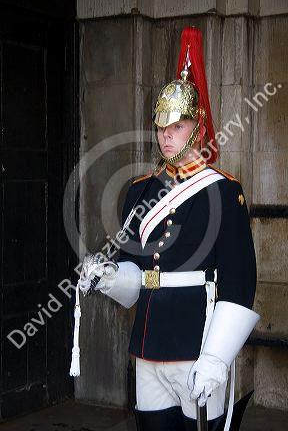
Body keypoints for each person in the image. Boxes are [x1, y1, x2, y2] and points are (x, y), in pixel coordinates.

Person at [84, 27, 259, 431]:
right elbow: (135, 274)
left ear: (196, 127)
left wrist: (217, 357)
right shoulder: (140, 190)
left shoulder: (222, 191)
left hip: (197, 341)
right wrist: (107, 277)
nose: (166, 135)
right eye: (161, 126)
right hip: (148, 341)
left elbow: (239, 279)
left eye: (176, 126)